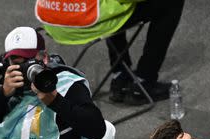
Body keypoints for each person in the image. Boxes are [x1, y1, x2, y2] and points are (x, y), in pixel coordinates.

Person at [0, 27, 106, 139]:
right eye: (16, 63)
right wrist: (2, 93)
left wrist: (55, 101)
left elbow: (97, 129)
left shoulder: (66, 83)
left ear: (44, 58)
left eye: (27, 61)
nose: (23, 69)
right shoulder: (14, 84)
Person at [37, 0, 184, 104]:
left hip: (51, 20)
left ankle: (120, 74)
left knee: (113, 5)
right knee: (171, 3)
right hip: (84, 22)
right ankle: (144, 82)